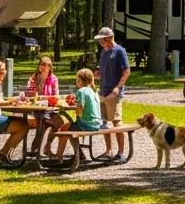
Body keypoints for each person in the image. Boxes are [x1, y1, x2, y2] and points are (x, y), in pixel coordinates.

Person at [49, 67, 103, 162]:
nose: (76, 82)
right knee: (69, 127)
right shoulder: (94, 91)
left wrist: (74, 107)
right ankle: (78, 154)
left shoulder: (81, 91)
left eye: (77, 80)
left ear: (81, 81)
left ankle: (58, 157)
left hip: (87, 124)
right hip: (97, 123)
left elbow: (80, 110)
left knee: (63, 130)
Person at [93, 26, 131, 158]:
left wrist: (118, 87)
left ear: (109, 38)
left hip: (114, 93)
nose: (100, 42)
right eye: (99, 40)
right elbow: (103, 70)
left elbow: (126, 71)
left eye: (102, 39)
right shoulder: (104, 52)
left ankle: (120, 152)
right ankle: (108, 151)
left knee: (116, 121)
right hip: (102, 92)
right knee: (103, 122)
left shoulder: (119, 51)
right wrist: (93, 75)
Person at [26, 55, 65, 157]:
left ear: (50, 68)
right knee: (45, 124)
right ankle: (39, 149)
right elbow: (30, 94)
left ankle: (43, 147)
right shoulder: (33, 78)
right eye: (42, 64)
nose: (43, 67)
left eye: (46, 65)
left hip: (49, 109)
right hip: (37, 109)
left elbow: (55, 95)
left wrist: (43, 98)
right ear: (38, 66)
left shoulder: (53, 79)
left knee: (58, 124)